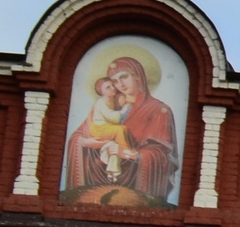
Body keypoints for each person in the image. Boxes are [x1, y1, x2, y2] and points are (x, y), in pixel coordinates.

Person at [63, 50, 180, 205]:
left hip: (135, 189)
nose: (120, 85)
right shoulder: (109, 105)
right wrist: (87, 142)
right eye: (115, 81)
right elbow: (79, 136)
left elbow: (162, 155)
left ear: (137, 76)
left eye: (124, 77)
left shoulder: (158, 110)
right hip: (98, 184)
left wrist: (128, 154)